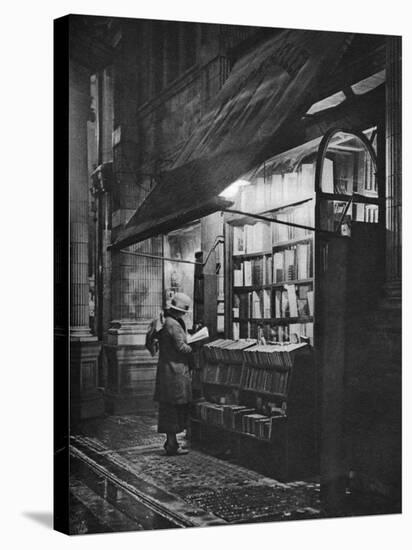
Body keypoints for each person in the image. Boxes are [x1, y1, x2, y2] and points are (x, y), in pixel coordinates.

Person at [153, 292, 194, 456]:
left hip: (167, 372)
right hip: (174, 373)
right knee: (174, 409)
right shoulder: (174, 325)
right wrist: (194, 346)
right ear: (179, 311)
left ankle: (171, 442)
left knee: (169, 408)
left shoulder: (167, 322)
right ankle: (172, 444)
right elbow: (181, 347)